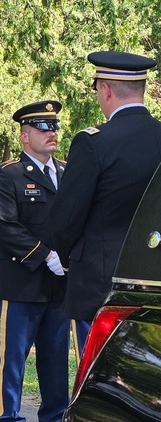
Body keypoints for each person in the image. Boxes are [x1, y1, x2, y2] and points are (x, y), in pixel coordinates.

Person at [50, 51, 161, 355]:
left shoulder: (93, 141)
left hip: (101, 288)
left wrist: (68, 257)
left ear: (106, 89)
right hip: (155, 282)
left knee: (95, 381)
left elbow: (66, 220)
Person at [0, 101, 70, 422]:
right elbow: (4, 225)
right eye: (42, 127)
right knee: (13, 360)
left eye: (54, 126)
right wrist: (44, 255)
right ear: (24, 135)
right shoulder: (8, 175)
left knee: (56, 360)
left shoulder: (67, 172)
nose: (51, 133)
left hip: (60, 283)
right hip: (23, 282)